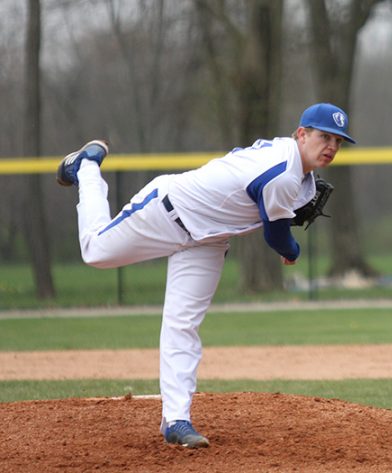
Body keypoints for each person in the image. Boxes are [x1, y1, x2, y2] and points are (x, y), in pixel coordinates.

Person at [56, 103, 355, 448]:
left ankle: (176, 420)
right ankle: (88, 166)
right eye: (324, 137)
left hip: (208, 240)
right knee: (95, 251)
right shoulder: (284, 173)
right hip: (168, 211)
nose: (331, 146)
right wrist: (292, 252)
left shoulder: (297, 172)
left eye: (338, 141)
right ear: (301, 134)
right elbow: (276, 236)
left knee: (182, 324)